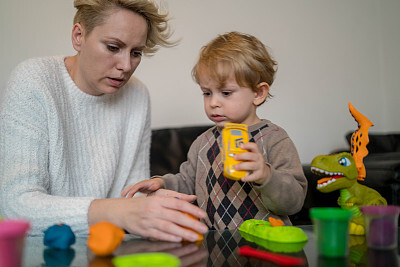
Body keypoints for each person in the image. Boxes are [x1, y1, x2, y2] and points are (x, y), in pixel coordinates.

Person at [0, 0, 208, 242]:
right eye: (112, 47)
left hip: (108, 248)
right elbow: (16, 206)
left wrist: (153, 203)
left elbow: (131, 194)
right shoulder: (34, 81)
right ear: (78, 36)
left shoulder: (137, 94)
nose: (126, 66)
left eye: (136, 53)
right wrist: (117, 211)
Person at [122, 32, 308, 229]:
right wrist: (161, 182)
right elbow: (186, 182)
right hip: (214, 249)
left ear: (258, 93)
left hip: (266, 248)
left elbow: (293, 203)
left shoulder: (274, 139)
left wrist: (266, 175)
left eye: (226, 93)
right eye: (207, 93)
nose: (213, 103)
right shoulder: (202, 143)